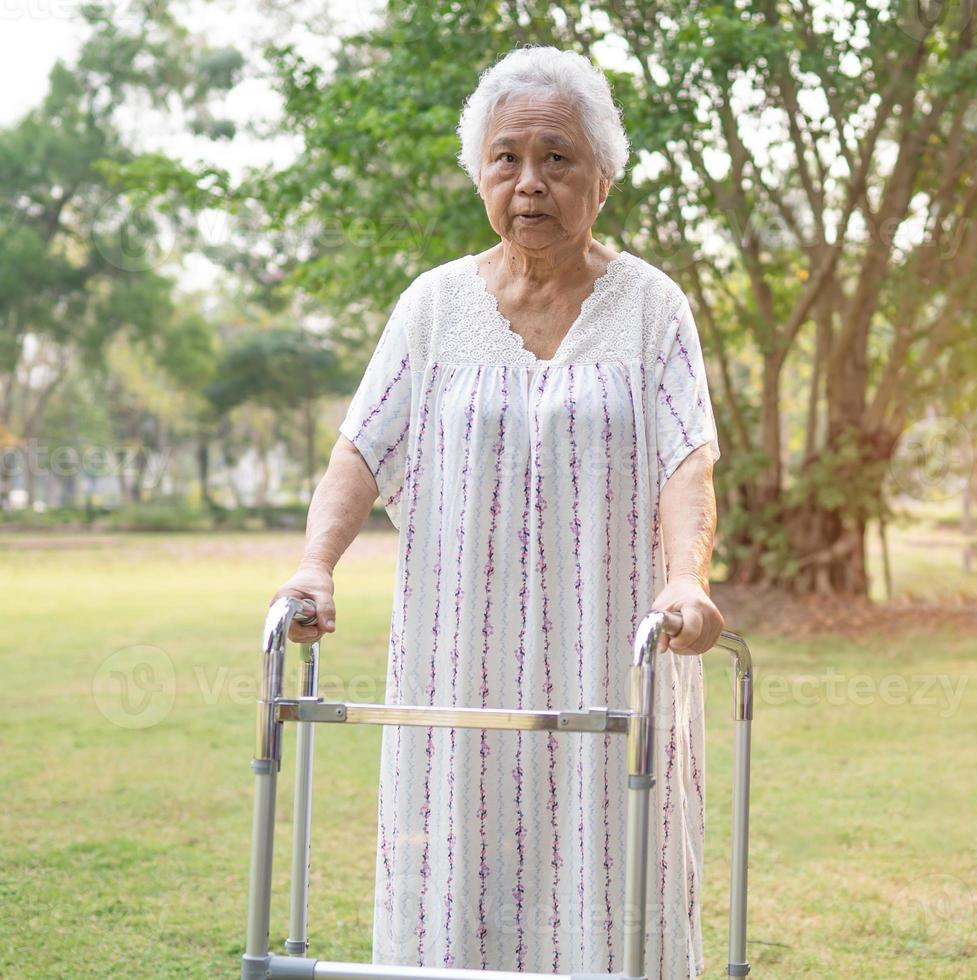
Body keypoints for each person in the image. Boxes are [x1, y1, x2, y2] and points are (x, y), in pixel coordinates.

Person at [269, 44, 724, 979]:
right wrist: (316, 565)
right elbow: (360, 451)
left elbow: (687, 460)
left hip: (610, 651)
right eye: (507, 159)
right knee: (456, 880)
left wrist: (688, 579)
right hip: (458, 660)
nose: (530, 183)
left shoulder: (652, 308)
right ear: (481, 174)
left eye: (557, 158)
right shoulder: (433, 307)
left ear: (602, 175)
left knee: (615, 878)